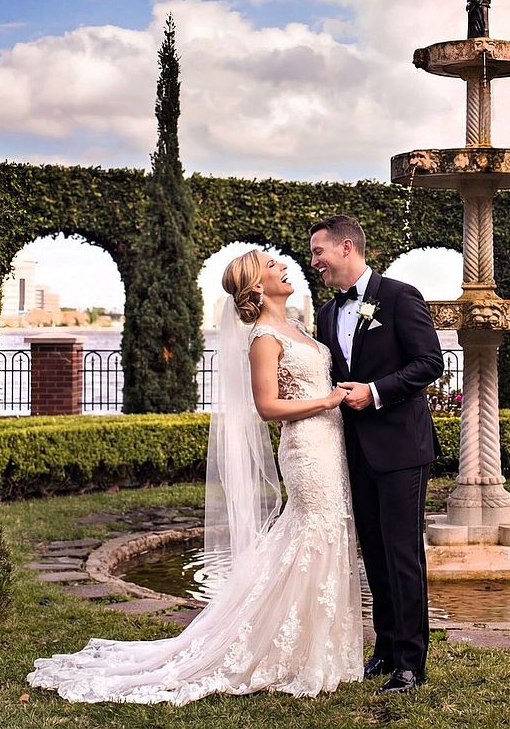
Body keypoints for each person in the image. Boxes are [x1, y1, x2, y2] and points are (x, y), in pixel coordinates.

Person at [27, 249, 362, 704]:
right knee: (312, 532)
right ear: (258, 286)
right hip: (305, 447)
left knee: (326, 532)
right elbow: (267, 407)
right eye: (271, 264)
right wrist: (326, 402)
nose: (283, 265)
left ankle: (316, 647)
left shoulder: (298, 327)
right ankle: (279, 648)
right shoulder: (263, 336)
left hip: (329, 443)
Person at [309, 214, 444, 695]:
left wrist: (375, 391)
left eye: (318, 252)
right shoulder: (326, 315)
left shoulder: (400, 295)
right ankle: (385, 649)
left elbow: (431, 363)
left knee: (402, 553)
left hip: (402, 448)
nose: (314, 262)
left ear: (347, 247)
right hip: (352, 451)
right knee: (374, 554)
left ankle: (411, 664)